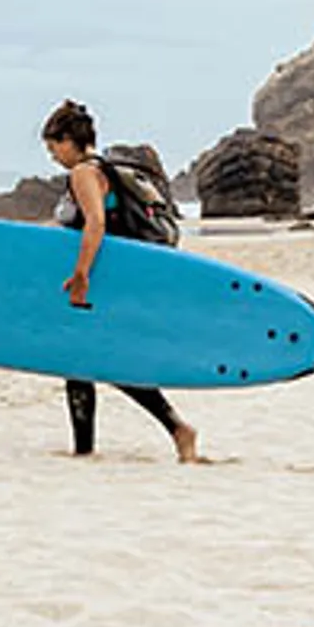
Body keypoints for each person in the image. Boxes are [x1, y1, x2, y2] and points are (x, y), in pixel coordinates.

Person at [42, 99, 201, 464]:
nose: (53, 156)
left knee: (96, 360)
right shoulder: (103, 168)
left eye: (53, 147)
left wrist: (81, 275)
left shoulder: (83, 172)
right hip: (120, 277)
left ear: (69, 140)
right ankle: (87, 449)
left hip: (100, 280)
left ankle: (176, 428)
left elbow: (95, 223)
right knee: (80, 361)